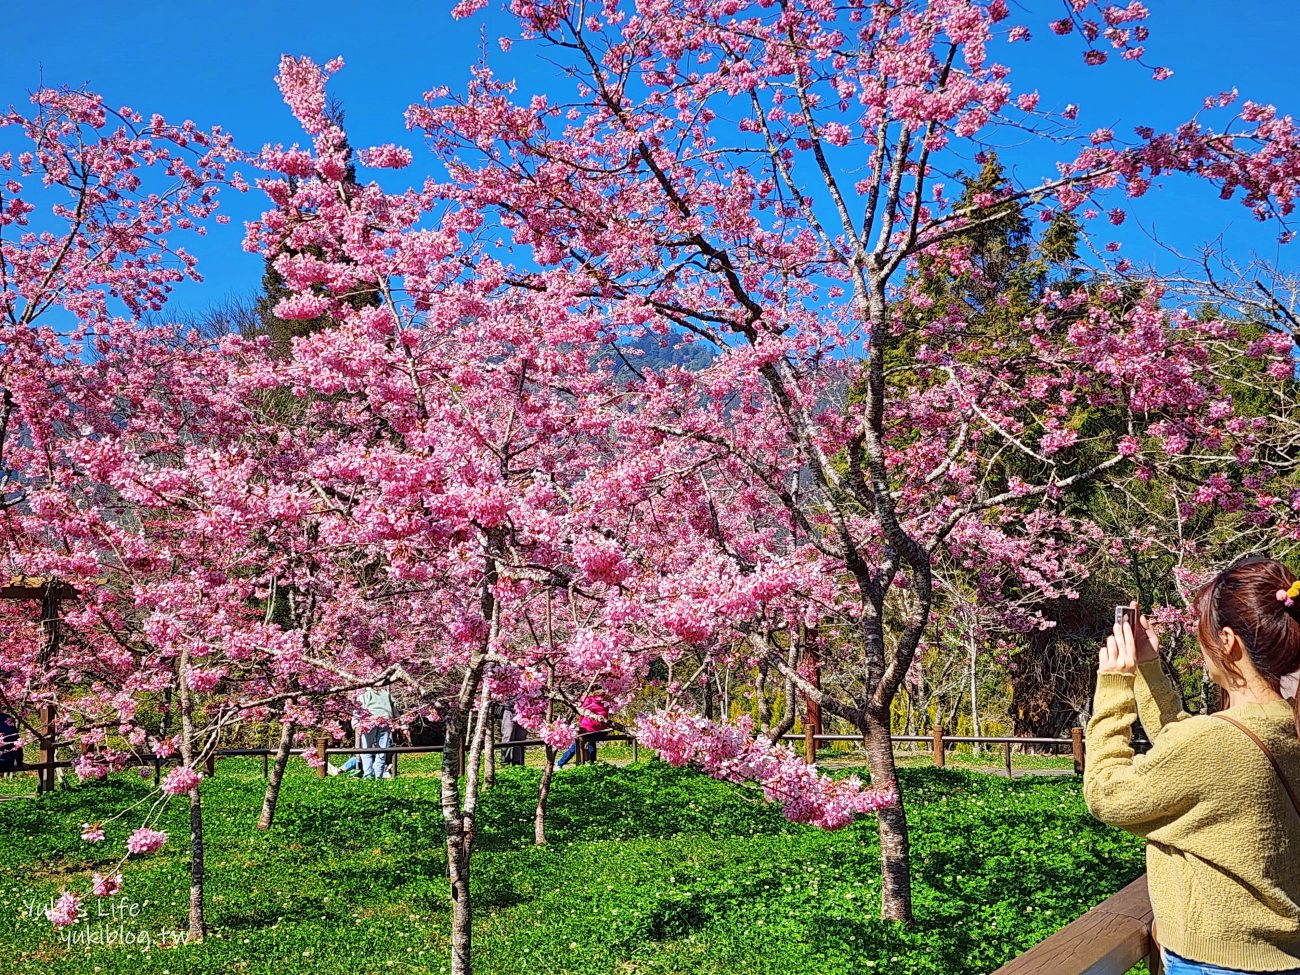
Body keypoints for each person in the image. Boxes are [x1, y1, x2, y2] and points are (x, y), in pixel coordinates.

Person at [1084, 555, 1300, 974]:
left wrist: (1113, 687)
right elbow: (1191, 755)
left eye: (1203, 635)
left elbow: (1106, 795)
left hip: (1217, 964)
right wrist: (1149, 668)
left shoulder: (1214, 743)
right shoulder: (1285, 725)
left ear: (1228, 641)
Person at [557, 696, 608, 768]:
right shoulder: (606, 703)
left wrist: (581, 724)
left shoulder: (588, 701)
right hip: (601, 730)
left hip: (588, 728)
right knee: (591, 743)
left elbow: (582, 714)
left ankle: (560, 763)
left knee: (576, 745)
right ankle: (593, 763)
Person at [357, 686, 397, 780]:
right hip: (386, 720)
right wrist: (402, 725)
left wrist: (355, 723)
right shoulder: (387, 694)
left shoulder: (364, 694)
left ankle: (368, 775)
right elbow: (394, 709)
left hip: (369, 722)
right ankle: (378, 775)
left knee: (366, 749)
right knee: (382, 750)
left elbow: (358, 709)